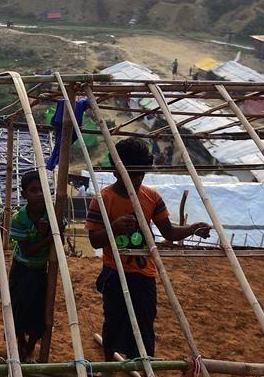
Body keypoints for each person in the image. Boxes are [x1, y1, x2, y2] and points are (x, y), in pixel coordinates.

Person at [86, 138, 210, 360]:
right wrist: (114, 228)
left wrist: (192, 229)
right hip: (116, 272)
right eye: (132, 174)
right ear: (116, 171)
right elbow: (95, 240)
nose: (137, 179)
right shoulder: (103, 200)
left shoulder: (151, 197)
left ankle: (143, 367)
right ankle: (110, 366)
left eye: (141, 174)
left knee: (144, 321)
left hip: (145, 273)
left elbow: (169, 232)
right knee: (114, 319)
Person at [9, 170, 58, 361]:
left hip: (41, 270)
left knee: (40, 311)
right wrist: (49, 237)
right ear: (24, 194)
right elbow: (27, 251)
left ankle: (30, 347)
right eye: (33, 190)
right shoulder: (20, 218)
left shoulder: (52, 214)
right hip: (22, 269)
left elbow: (59, 238)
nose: (38, 194)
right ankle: (21, 343)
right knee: (19, 308)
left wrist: (53, 234)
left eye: (41, 190)